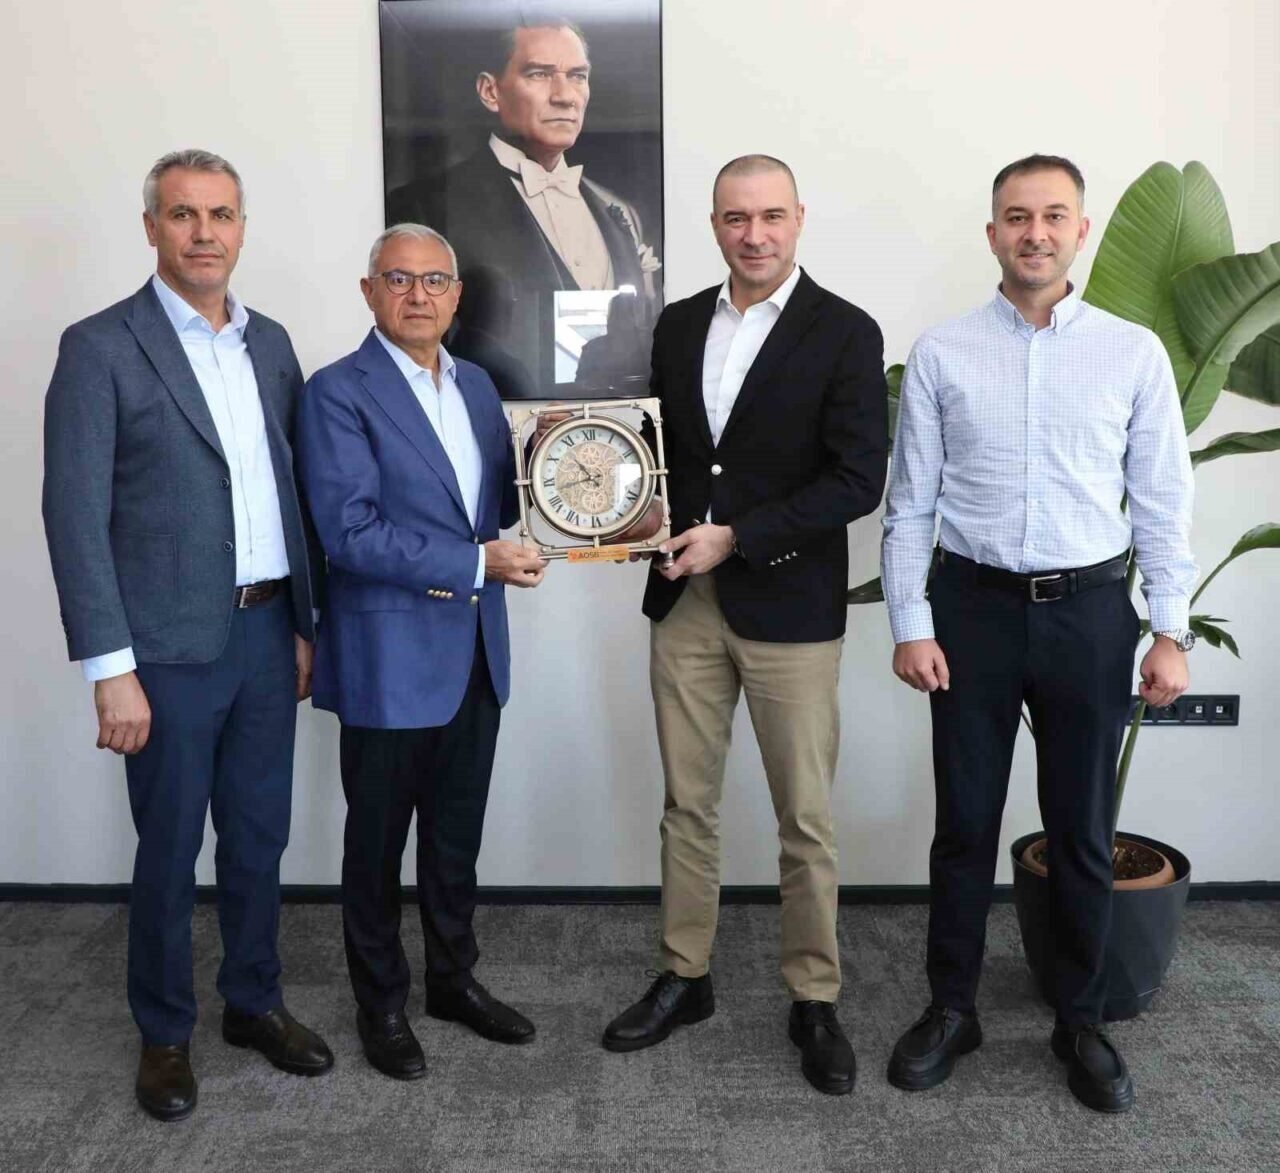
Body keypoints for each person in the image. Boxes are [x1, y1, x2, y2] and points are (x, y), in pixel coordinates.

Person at [880, 154, 1196, 1113]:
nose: (1036, 233)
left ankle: (1081, 1019)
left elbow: (1162, 500)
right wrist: (911, 621)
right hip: (971, 612)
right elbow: (910, 504)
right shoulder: (943, 353)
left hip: (1090, 615)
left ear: (1081, 231)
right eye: (1017, 216)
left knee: (1082, 830)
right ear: (993, 234)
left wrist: (1170, 629)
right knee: (964, 826)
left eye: (1054, 215)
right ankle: (952, 1007)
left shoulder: (1132, 353)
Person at [42, 149, 333, 1122]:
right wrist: (109, 668)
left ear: (242, 228)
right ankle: (164, 1031)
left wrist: (302, 625)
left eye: (221, 214)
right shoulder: (100, 346)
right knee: (169, 849)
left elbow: (291, 494)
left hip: (266, 637)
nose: (204, 232)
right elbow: (74, 515)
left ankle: (253, 1001)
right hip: (163, 654)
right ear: (151, 228)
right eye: (183, 214)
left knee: (259, 837)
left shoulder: (271, 344)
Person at [599, 155, 888, 1096]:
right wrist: (627, 521)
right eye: (735, 218)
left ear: (799, 218)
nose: (753, 234)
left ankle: (814, 996)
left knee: (803, 816)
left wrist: (740, 537)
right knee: (687, 803)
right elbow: (663, 457)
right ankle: (685, 976)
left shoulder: (845, 331)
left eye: (770, 216)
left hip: (790, 609)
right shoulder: (681, 323)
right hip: (684, 601)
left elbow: (857, 479)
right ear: (715, 224)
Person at [297, 223, 548, 1081]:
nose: (417, 295)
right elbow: (350, 532)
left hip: (475, 650)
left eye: (434, 280)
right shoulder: (337, 392)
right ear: (369, 291)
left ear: (456, 295)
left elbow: (502, 506)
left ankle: (453, 980)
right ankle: (382, 1004)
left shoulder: (476, 385)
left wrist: (596, 517)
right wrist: (480, 564)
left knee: (454, 837)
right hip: (387, 657)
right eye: (398, 279)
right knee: (375, 846)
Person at [386, 17, 659, 395]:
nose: (565, 96)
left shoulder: (620, 211)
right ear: (490, 91)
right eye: (540, 74)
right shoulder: (423, 205)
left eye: (577, 76)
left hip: (608, 424)